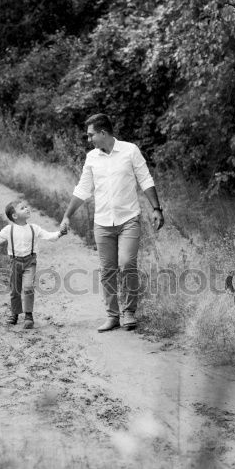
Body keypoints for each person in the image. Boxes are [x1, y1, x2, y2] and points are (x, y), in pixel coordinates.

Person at [59, 113, 164, 332]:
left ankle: (128, 312)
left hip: (128, 219)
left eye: (91, 135)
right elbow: (83, 189)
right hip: (103, 223)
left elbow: (145, 179)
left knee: (127, 264)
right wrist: (67, 215)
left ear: (103, 133)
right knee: (107, 270)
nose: (89, 140)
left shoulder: (130, 150)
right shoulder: (92, 158)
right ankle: (112, 315)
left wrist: (156, 208)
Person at [0, 200, 64, 329]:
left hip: (30, 262)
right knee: (15, 290)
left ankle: (29, 315)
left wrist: (60, 233)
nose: (27, 208)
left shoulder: (34, 228)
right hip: (15, 262)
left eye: (26, 206)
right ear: (14, 215)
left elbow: (49, 236)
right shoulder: (9, 229)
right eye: (22, 208)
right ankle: (15, 314)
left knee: (28, 287)